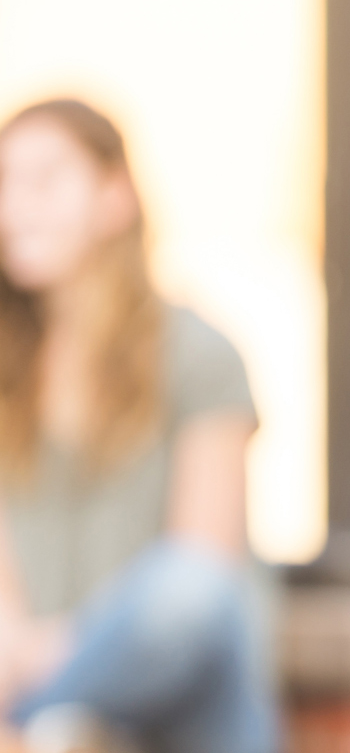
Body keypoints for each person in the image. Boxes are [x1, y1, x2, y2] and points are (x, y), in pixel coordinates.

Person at [0, 100, 278, 753]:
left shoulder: (198, 352)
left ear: (115, 196)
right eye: (4, 185)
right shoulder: (7, 370)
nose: (16, 208)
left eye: (43, 182)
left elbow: (204, 562)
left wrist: (59, 657)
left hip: (187, 703)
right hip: (32, 681)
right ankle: (59, 725)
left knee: (193, 591)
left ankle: (53, 723)